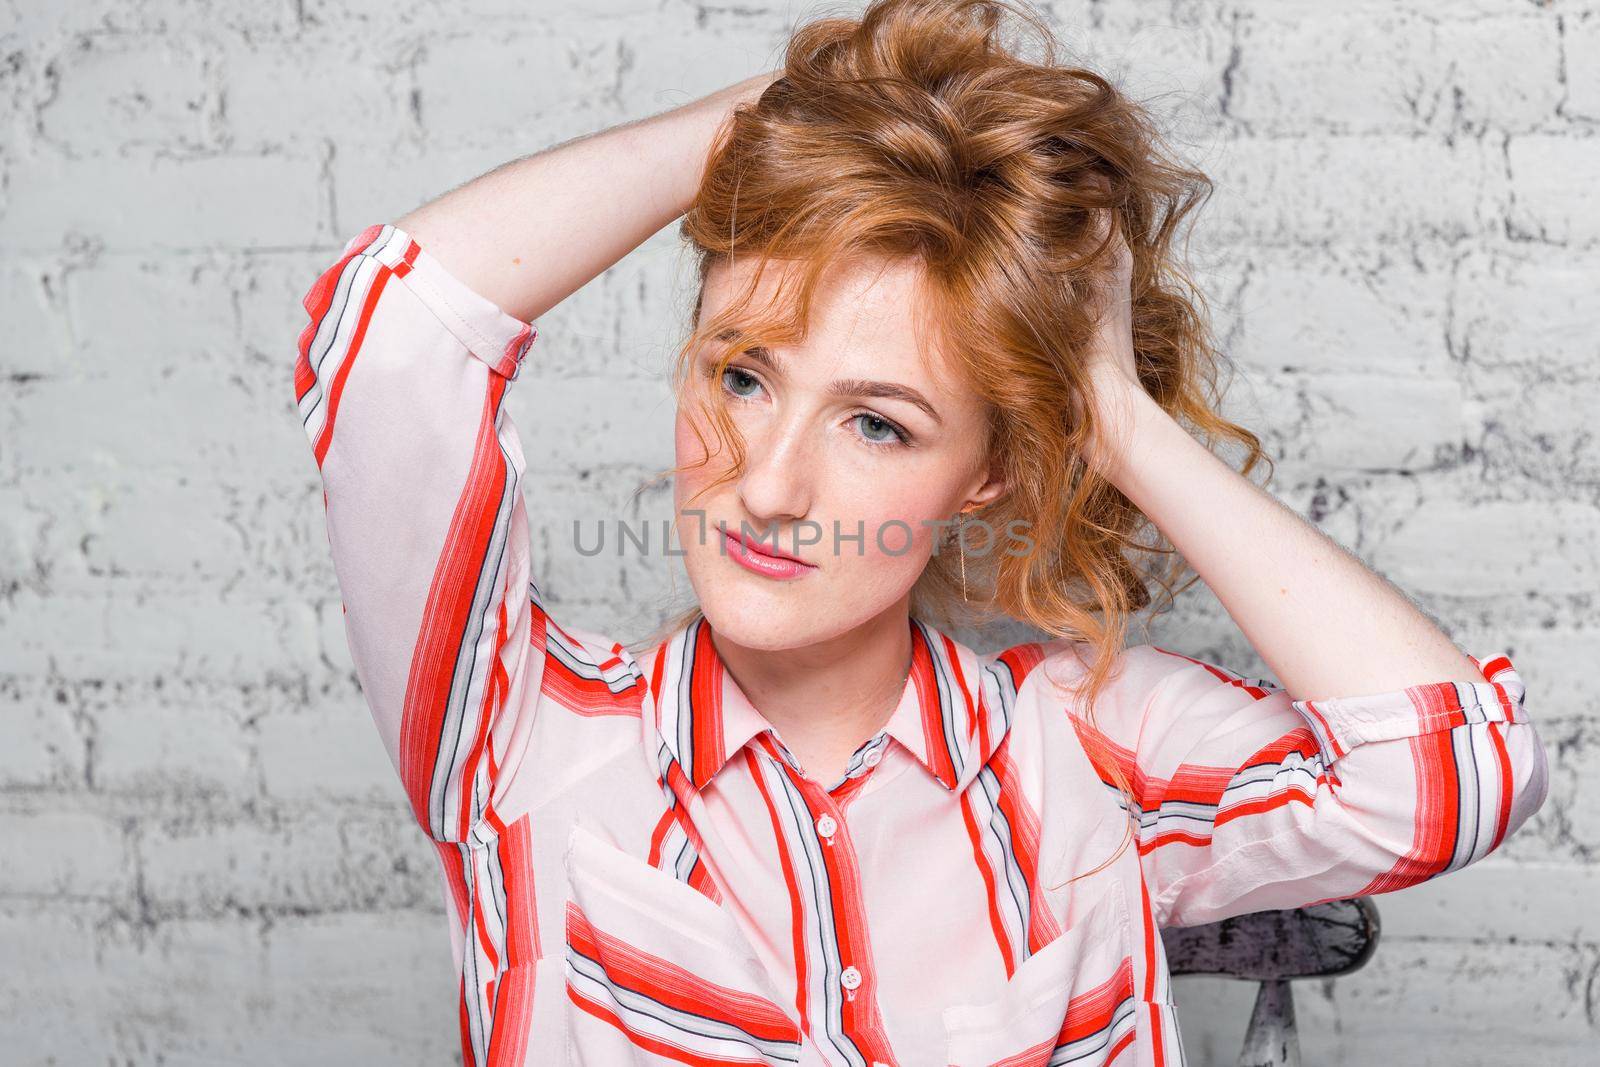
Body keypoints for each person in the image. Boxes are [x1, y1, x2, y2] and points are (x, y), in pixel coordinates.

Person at [291, 1, 1549, 1063]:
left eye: (877, 424)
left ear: (991, 469)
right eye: (740, 375)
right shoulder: (521, 734)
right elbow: (386, 331)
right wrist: (781, 125)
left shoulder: (1087, 750)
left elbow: (1448, 778)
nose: (769, 484)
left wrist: (1110, 414)